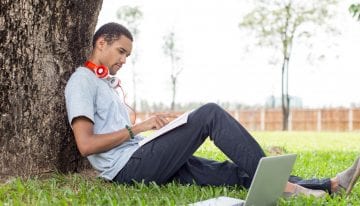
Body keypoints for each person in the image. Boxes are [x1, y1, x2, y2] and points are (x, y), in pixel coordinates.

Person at [65, 22, 360, 198]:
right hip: (127, 168)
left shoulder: (107, 84)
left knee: (232, 172)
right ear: (101, 43)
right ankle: (280, 185)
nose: (124, 60)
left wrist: (156, 130)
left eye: (127, 55)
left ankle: (332, 185)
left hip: (143, 155)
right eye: (121, 52)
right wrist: (139, 127)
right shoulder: (82, 81)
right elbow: (86, 144)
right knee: (209, 113)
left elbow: (122, 134)